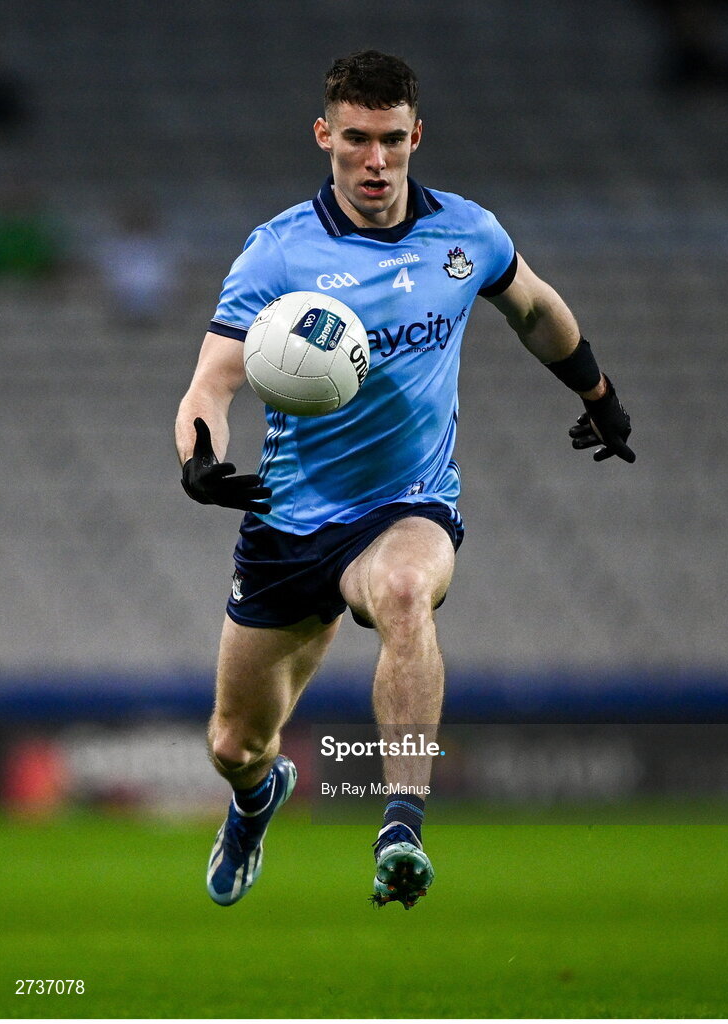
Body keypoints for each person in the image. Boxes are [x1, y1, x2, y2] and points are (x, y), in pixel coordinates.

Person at [175, 50, 634, 911]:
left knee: (404, 589)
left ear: (416, 135)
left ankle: (400, 826)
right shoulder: (278, 254)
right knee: (237, 744)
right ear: (325, 136)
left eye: (391, 140)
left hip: (405, 503)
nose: (375, 161)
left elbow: (534, 307)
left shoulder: (466, 234)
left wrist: (598, 392)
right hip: (289, 520)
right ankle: (253, 801)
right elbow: (213, 380)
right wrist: (198, 457)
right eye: (356, 140)